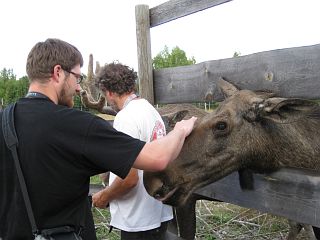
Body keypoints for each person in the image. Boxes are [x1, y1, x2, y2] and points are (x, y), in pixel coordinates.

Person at [0, 38, 197, 240]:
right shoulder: (76, 125)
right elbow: (158, 158)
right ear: (58, 73)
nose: (78, 88)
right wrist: (181, 129)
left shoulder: (4, 120)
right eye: (77, 77)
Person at [92, 62, 174, 240]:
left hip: (137, 218)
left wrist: (105, 196)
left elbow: (129, 179)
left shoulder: (126, 118)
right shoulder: (150, 111)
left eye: (105, 94)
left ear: (109, 91)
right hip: (157, 211)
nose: (107, 100)